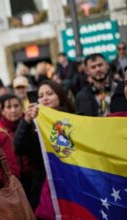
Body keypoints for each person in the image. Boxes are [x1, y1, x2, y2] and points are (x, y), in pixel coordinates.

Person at [14, 80, 76, 213]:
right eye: (41, 96)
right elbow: (18, 147)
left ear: (60, 96)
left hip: (72, 182)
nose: (45, 98)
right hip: (44, 185)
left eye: (49, 94)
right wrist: (26, 121)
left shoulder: (74, 119)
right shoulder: (33, 122)